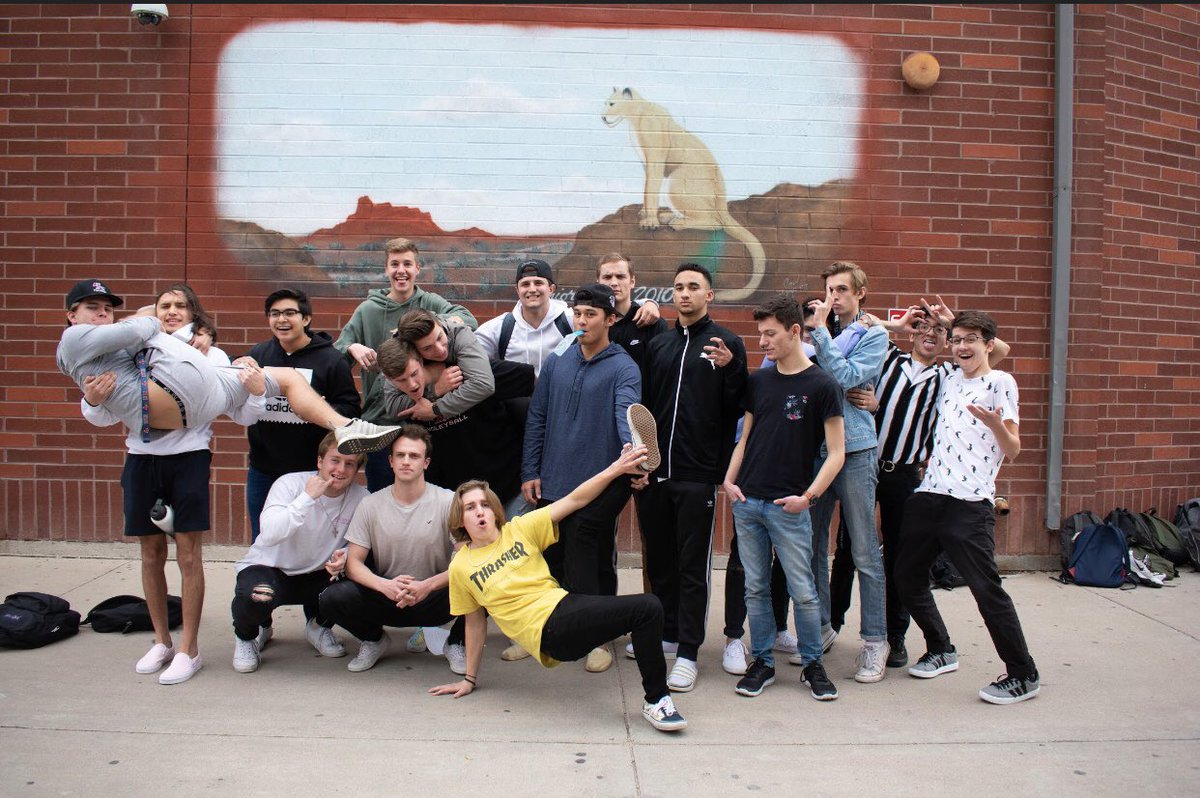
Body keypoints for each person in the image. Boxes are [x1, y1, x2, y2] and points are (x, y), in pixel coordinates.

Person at [429, 443, 687, 733]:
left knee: (643, 606)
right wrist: (469, 679)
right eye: (470, 507)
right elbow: (475, 623)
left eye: (485, 504)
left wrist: (616, 469)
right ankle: (657, 700)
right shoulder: (462, 567)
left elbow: (575, 499)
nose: (480, 512)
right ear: (460, 519)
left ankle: (631, 469)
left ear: (495, 509)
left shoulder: (519, 530)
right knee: (647, 607)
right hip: (549, 633)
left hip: (565, 612)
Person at [836, 297, 1010, 668]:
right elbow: (861, 323)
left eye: (940, 331)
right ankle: (832, 624)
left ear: (948, 340)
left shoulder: (949, 375)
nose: (930, 334)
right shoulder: (888, 357)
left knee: (897, 557)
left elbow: (999, 350)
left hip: (904, 474)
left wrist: (954, 321)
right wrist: (896, 324)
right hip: (865, 466)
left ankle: (894, 636)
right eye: (923, 327)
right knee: (849, 549)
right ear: (912, 332)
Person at [57, 280, 401, 457]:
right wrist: (92, 401)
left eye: (107, 309)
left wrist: (253, 389)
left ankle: (346, 428)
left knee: (288, 378)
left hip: (186, 410)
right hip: (159, 416)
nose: (103, 314)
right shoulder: (74, 339)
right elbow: (145, 325)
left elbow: (245, 416)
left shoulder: (117, 348)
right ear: (72, 316)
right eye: (93, 308)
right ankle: (345, 426)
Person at [76, 283, 226, 685]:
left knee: (189, 554)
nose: (172, 311)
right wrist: (93, 401)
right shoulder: (130, 352)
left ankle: (189, 648)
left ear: (194, 314)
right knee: (150, 552)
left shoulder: (207, 352)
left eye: (180, 306)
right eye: (164, 306)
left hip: (189, 457)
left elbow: (222, 400)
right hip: (141, 459)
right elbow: (106, 416)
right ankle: (162, 641)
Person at [891, 311, 1040, 704]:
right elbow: (966, 354)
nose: (961, 346)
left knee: (986, 590)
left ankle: (1023, 673)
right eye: (956, 339)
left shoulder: (1001, 383)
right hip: (929, 495)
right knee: (906, 577)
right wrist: (949, 326)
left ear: (988, 345)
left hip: (970, 503)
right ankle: (941, 648)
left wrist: (995, 424)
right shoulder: (949, 377)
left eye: (970, 339)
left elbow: (1014, 449)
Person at [626, 263, 747, 693]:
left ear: (709, 295)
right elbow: (643, 407)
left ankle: (689, 653)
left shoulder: (725, 345)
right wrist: (642, 464)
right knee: (661, 561)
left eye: (694, 287)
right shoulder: (658, 343)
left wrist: (731, 369)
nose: (684, 293)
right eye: (678, 287)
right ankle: (669, 632)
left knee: (693, 565)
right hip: (655, 472)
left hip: (698, 474)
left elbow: (738, 407)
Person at [722, 295, 845, 701]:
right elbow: (745, 438)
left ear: (795, 331)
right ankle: (762, 663)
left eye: (770, 334)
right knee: (755, 588)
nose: (763, 342)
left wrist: (808, 498)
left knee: (803, 590)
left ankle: (813, 665)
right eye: (761, 334)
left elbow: (837, 453)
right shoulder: (759, 381)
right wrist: (729, 482)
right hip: (748, 502)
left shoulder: (822, 385)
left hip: (789, 506)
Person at [520, 283, 642, 674]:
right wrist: (530, 469)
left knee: (583, 550)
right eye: (578, 313)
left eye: (591, 314)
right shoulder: (558, 359)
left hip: (603, 480)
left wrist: (633, 458)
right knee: (550, 557)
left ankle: (596, 639)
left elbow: (626, 415)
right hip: (554, 476)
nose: (582, 321)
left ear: (610, 320)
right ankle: (545, 632)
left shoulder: (624, 367)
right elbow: (538, 416)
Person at [803, 261, 891, 684]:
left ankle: (875, 640)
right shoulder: (817, 333)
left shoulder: (874, 334)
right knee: (813, 546)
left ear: (860, 293)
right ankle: (821, 627)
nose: (833, 297)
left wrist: (820, 336)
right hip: (815, 451)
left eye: (841, 290)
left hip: (854, 450)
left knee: (864, 550)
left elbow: (847, 376)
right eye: (829, 290)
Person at [318, 425, 467, 675]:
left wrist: (427, 586)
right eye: (400, 455)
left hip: (434, 596)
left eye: (414, 456)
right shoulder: (370, 504)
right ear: (390, 461)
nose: (406, 461)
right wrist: (385, 586)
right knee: (331, 598)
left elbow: (467, 559)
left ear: (426, 463)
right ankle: (373, 639)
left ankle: (456, 642)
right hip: (388, 595)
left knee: (485, 582)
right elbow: (353, 563)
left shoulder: (448, 501)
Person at [334, 238, 477, 490]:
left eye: (407, 264)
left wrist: (423, 323)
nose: (401, 270)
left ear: (417, 269)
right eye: (395, 264)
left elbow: (468, 320)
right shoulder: (367, 310)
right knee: (381, 497)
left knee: (426, 498)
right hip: (380, 426)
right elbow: (336, 359)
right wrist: (351, 347)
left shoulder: (430, 302)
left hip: (425, 423)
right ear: (386, 269)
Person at [230, 432, 368, 673]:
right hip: (271, 568)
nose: (341, 469)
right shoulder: (289, 484)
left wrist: (345, 555)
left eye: (350, 464)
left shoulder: (361, 498)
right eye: (335, 460)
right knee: (255, 595)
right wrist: (307, 497)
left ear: (357, 470)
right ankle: (250, 634)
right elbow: (270, 533)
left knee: (363, 577)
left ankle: (319, 626)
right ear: (320, 461)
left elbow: (362, 543)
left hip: (319, 573)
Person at [243, 288, 360, 541]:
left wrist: (319, 407)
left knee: (306, 540)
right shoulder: (258, 355)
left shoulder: (331, 360)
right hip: (264, 469)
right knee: (263, 538)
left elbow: (351, 409)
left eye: (289, 313)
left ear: (306, 319)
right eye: (275, 314)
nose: (282, 320)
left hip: (308, 471)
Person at [378, 337, 533, 506]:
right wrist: (435, 390)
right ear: (389, 380)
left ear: (421, 361)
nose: (412, 385)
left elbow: (529, 378)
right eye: (401, 380)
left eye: (414, 374)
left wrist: (532, 470)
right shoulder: (402, 401)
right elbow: (393, 411)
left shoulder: (469, 372)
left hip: (510, 487)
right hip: (457, 501)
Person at [596, 253, 666, 368]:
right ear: (598, 282)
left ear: (632, 282)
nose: (614, 283)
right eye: (607, 277)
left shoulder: (652, 323)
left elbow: (662, 372)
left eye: (620, 277)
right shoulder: (591, 323)